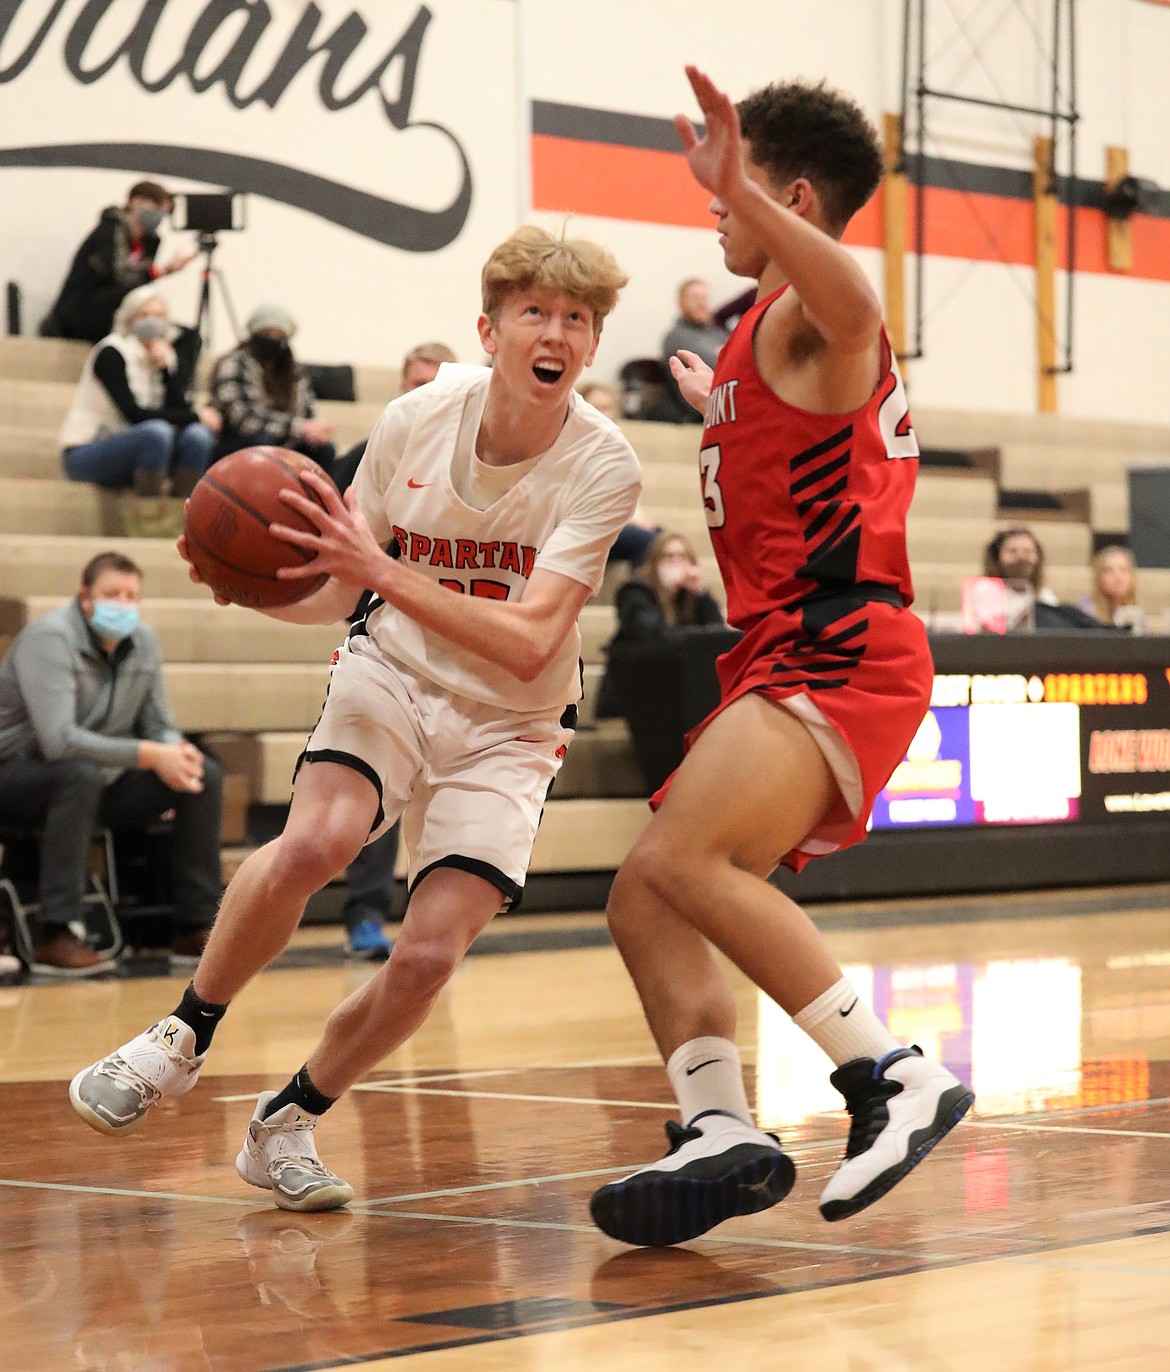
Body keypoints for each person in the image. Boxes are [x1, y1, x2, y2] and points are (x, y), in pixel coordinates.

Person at [69, 227, 641, 1212]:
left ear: (591, 345)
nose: (556, 332)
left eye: (577, 320)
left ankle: (287, 1119)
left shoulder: (603, 465)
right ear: (491, 329)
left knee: (426, 958)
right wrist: (252, 593)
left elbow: (529, 638)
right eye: (535, 313)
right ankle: (180, 1037)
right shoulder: (418, 417)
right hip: (396, 672)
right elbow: (343, 595)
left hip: (512, 721)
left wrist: (378, 572)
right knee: (321, 837)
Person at [587, 67, 974, 1249]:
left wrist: (757, 212)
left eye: (733, 186)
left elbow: (858, 306)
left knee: (691, 861)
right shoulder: (760, 336)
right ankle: (720, 1127)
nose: (711, 207)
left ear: (792, 194)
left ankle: (891, 1074)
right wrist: (728, 407)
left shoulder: (817, 312)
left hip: (840, 637)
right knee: (641, 893)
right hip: (787, 640)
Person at [0, 552, 223, 975]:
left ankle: (194, 928)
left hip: (86, 783)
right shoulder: (49, 639)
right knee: (77, 774)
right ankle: (56, 934)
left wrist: (176, 750)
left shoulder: (143, 642)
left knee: (202, 775)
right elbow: (58, 741)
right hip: (15, 777)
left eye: (130, 596)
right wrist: (150, 754)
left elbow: (158, 725)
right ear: (86, 597)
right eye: (111, 594)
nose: (122, 605)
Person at [58, 285, 218, 534]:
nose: (152, 322)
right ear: (130, 319)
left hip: (145, 455)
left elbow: (180, 410)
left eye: (159, 316)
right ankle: (148, 524)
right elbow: (134, 414)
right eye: (144, 315)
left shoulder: (166, 355)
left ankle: (186, 524)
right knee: (156, 433)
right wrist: (197, 414)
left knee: (197, 436)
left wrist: (166, 370)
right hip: (89, 451)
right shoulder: (111, 352)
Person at [41, 181, 198, 343]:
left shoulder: (151, 242)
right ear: (135, 202)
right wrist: (162, 271)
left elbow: (140, 286)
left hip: (113, 312)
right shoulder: (109, 231)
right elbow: (118, 277)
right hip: (81, 311)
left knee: (185, 337)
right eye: (156, 208)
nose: (158, 217)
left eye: (163, 213)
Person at [598, 530, 725, 721]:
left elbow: (717, 636)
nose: (675, 563)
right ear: (654, 563)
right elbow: (652, 637)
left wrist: (702, 594)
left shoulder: (691, 596)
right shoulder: (635, 591)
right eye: (667, 557)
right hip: (638, 685)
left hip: (676, 686)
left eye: (682, 557)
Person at [209, 305, 337, 472]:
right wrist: (299, 428)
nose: (273, 341)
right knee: (263, 443)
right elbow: (245, 421)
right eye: (267, 334)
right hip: (237, 445)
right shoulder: (234, 364)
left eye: (279, 336)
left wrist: (315, 431)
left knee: (324, 449)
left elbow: (307, 413)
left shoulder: (293, 371)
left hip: (285, 442)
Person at [331, 342, 457, 497]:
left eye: (437, 385)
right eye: (420, 384)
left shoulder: (467, 457)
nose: (427, 394)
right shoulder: (369, 453)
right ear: (403, 387)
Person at [652, 278, 728, 423]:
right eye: (695, 298)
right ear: (681, 303)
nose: (702, 303)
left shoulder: (719, 333)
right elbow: (713, 365)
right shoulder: (676, 336)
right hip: (697, 412)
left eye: (704, 298)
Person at [1079, 544, 1145, 631]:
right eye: (1109, 571)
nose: (1118, 577)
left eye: (1123, 570)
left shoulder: (1136, 613)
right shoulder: (1086, 609)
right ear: (1098, 577)